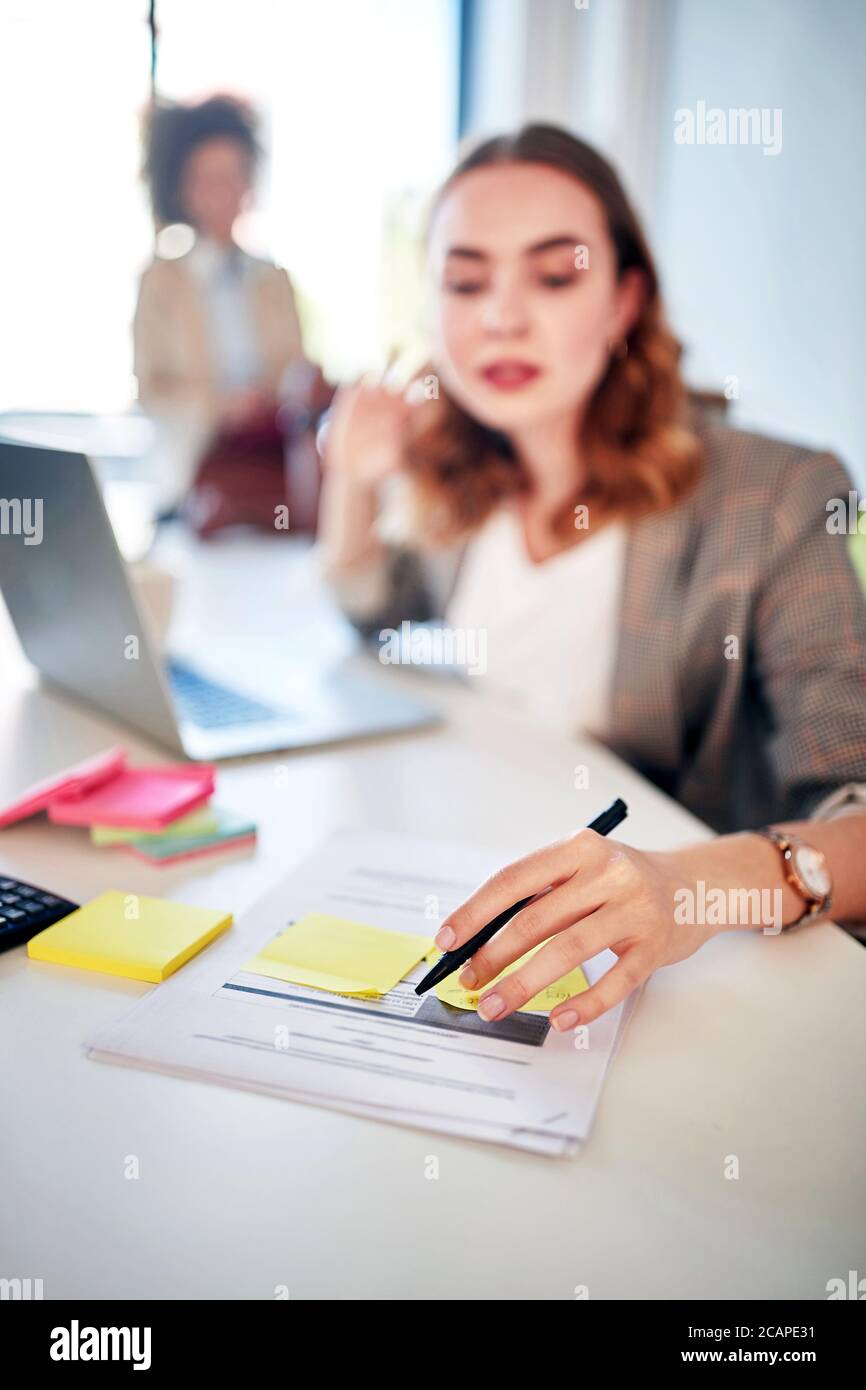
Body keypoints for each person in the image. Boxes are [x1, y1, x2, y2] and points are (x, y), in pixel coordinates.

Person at [318, 124, 866, 1028]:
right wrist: (349, 476)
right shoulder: (460, 473)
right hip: (469, 902)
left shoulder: (776, 495)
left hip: (683, 990)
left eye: (555, 274)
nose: (500, 315)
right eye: (465, 281)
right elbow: (372, 613)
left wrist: (689, 888)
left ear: (623, 301)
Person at [133, 94, 322, 530]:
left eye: (235, 175)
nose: (226, 191)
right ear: (185, 188)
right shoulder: (161, 283)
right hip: (189, 483)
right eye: (210, 179)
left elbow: (295, 372)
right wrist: (220, 406)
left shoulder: (274, 281)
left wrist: (273, 400)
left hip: (270, 478)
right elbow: (150, 388)